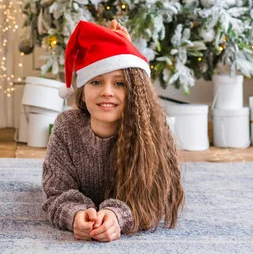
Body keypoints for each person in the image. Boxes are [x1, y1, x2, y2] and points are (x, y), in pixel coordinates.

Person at [41, 20, 184, 242]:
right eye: (96, 82)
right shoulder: (66, 127)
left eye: (119, 84)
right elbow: (56, 192)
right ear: (83, 90)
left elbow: (157, 198)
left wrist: (117, 216)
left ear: (135, 92)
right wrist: (76, 215)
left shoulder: (152, 129)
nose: (107, 92)